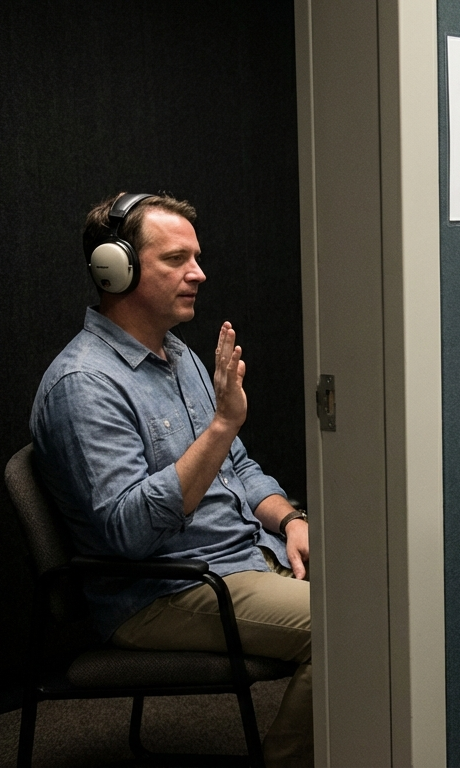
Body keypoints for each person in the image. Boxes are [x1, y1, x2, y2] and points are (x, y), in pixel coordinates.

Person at [31, 192, 312, 767]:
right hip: (165, 590)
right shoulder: (83, 385)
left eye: (197, 257)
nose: (199, 273)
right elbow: (127, 533)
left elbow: (238, 467)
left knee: (389, 590)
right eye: (176, 259)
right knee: (349, 626)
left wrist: (289, 520)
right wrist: (221, 426)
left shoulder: (178, 356)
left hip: (243, 555)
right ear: (116, 268)